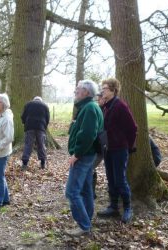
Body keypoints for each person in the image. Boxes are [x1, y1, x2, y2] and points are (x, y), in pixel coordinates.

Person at [65, 80, 104, 237]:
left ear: (86, 93)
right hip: (88, 154)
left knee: (72, 192)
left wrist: (77, 154)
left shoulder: (89, 108)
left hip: (84, 155)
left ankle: (84, 225)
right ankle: (87, 219)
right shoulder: (89, 107)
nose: (75, 91)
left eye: (78, 90)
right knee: (86, 189)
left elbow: (88, 134)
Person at [97, 78, 137, 224]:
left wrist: (129, 145)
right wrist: (101, 107)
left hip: (120, 149)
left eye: (105, 88)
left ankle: (127, 208)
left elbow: (133, 128)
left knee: (120, 179)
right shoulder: (106, 106)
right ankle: (113, 207)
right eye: (102, 88)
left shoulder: (120, 105)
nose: (102, 91)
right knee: (111, 178)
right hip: (108, 149)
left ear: (113, 90)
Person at [20, 96, 50, 170]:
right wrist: (44, 126)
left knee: (28, 145)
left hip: (29, 127)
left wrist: (25, 123)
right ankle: (43, 163)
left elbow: (23, 116)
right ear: (40, 100)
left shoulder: (28, 104)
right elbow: (47, 118)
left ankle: (25, 164)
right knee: (41, 145)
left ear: (34, 100)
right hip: (41, 127)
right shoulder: (45, 106)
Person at [92, 93, 106, 199]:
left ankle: (91, 192)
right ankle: (91, 191)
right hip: (98, 145)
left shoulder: (106, 110)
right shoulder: (99, 109)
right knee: (91, 167)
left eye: (100, 99)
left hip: (103, 145)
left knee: (90, 167)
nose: (98, 101)